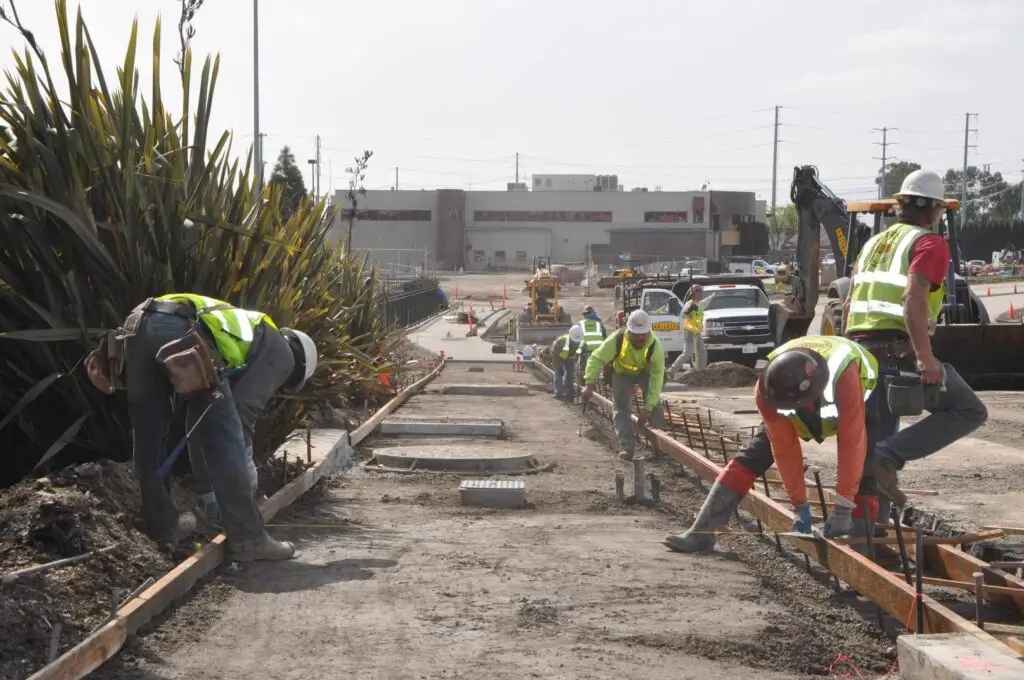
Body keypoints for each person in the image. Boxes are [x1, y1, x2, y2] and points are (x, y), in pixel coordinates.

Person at [121, 294, 316, 561]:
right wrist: (246, 473)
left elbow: (198, 421)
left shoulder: (245, 333)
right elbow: (243, 410)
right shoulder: (282, 351)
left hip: (138, 323)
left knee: (148, 436)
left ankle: (163, 528)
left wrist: (209, 492)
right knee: (228, 435)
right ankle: (249, 539)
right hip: (181, 330)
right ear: (298, 363)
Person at [843, 170, 987, 511]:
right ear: (934, 211)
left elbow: (849, 304)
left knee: (870, 454)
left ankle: (870, 535)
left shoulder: (873, 245)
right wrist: (925, 357)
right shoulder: (929, 243)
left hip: (860, 355)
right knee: (968, 409)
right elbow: (913, 299)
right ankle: (888, 457)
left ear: (900, 206)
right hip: (895, 353)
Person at [664, 335, 881, 551]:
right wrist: (799, 504)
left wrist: (844, 505)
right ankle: (701, 533)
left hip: (865, 396)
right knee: (753, 456)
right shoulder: (768, 390)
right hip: (795, 391)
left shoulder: (845, 376)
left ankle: (860, 557)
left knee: (865, 472)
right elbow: (784, 448)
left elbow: (852, 445)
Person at [581, 310, 666, 461]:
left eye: (643, 334)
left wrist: (647, 408)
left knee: (656, 405)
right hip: (621, 372)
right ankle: (627, 447)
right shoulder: (618, 339)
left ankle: (660, 446)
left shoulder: (655, 348)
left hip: (644, 372)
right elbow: (596, 358)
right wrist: (589, 383)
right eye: (637, 334)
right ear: (629, 331)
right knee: (621, 408)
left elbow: (656, 379)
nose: (640, 337)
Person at [667, 284, 707, 375]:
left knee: (702, 351)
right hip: (689, 333)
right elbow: (683, 315)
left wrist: (714, 296)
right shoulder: (690, 304)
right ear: (693, 293)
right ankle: (671, 370)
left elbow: (705, 303)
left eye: (701, 291)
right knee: (687, 353)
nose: (700, 293)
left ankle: (702, 370)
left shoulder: (698, 304)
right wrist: (689, 309)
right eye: (698, 291)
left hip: (696, 332)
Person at [551, 325, 584, 400]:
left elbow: (579, 351)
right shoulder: (562, 340)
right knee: (558, 373)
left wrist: (575, 359)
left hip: (570, 358)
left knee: (569, 374)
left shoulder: (581, 341)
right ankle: (558, 393)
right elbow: (554, 351)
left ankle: (567, 393)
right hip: (559, 356)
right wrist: (555, 362)